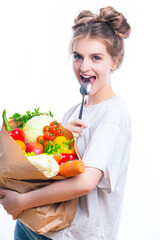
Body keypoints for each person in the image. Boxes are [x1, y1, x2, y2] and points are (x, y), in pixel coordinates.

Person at [0, 6, 132, 240]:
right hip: (35, 226)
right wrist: (57, 137)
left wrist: (21, 201)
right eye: (78, 56)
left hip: (74, 235)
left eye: (96, 57)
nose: (84, 67)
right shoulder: (75, 111)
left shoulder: (113, 114)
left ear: (114, 62)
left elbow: (85, 182)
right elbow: (52, 171)